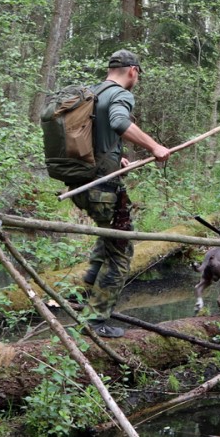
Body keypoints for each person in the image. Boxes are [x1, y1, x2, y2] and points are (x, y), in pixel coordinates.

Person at [71, 49, 170, 338]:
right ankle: (95, 320)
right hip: (102, 189)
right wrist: (154, 147)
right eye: (137, 75)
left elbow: (94, 136)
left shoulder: (92, 93)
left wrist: (115, 159)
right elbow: (118, 122)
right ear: (133, 71)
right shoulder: (120, 95)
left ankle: (83, 299)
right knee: (121, 253)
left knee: (107, 241)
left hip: (83, 183)